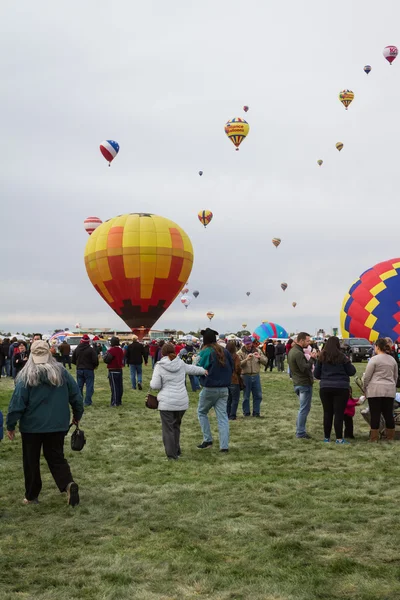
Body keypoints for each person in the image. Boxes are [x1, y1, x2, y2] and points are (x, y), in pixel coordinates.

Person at [6, 340, 83, 506]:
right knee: (56, 457)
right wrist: (77, 414)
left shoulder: (26, 376)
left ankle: (32, 495)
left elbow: (17, 403)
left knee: (31, 461)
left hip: (31, 427)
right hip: (57, 425)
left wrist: (10, 425)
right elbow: (76, 395)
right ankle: (68, 484)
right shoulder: (62, 372)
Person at [150, 343, 206, 460]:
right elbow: (192, 369)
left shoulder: (159, 366)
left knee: (168, 429)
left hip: (166, 402)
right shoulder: (180, 363)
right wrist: (203, 371)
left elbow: (155, 385)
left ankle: (171, 455)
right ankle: (176, 450)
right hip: (181, 401)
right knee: (176, 426)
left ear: (162, 353)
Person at [314, 336, 356, 444]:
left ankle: (326, 437)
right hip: (341, 388)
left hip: (325, 387)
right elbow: (352, 371)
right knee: (339, 413)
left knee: (327, 413)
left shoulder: (321, 357)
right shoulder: (342, 357)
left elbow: (316, 374)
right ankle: (339, 438)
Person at [196, 328, 233, 451]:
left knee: (202, 412)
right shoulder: (225, 351)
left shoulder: (206, 352)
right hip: (224, 389)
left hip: (209, 388)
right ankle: (224, 446)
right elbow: (231, 367)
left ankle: (208, 439)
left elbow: (198, 369)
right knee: (223, 418)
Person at [363, 338, 398, 442]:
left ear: (377, 347)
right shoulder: (392, 360)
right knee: (388, 414)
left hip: (375, 390)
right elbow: (395, 377)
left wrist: (365, 387)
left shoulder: (374, 359)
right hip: (389, 390)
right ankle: (390, 437)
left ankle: (374, 438)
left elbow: (367, 377)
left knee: (375, 414)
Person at [287, 332, 317, 439]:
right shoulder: (298, 353)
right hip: (303, 383)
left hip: (297, 382)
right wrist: (312, 359)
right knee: (304, 409)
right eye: (307, 341)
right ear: (301, 340)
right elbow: (304, 368)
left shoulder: (293, 351)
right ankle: (300, 432)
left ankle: (300, 430)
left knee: (302, 408)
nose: (309, 343)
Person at [237, 336, 267, 417]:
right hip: (245, 376)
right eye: (247, 344)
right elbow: (238, 365)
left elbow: (266, 362)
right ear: (244, 344)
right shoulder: (240, 352)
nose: (249, 345)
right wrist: (246, 359)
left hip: (256, 375)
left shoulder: (258, 350)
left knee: (258, 395)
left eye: (249, 343)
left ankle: (256, 412)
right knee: (246, 396)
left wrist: (259, 357)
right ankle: (246, 412)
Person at [71, 334, 99, 406]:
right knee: (89, 386)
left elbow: (73, 359)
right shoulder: (91, 350)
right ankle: (87, 401)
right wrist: (94, 366)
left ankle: (80, 401)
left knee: (79, 386)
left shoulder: (77, 349)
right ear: (88, 342)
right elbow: (95, 360)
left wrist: (78, 364)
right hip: (89, 370)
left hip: (79, 369)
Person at [104, 336, 124, 407]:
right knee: (119, 386)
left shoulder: (111, 350)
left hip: (112, 370)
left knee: (114, 387)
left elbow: (106, 360)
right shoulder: (120, 350)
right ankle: (119, 401)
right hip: (119, 369)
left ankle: (115, 402)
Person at [226, 340, 242, 420]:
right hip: (234, 379)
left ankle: (227, 414)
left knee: (228, 399)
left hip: (225, 380)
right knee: (235, 399)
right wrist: (239, 373)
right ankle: (232, 415)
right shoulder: (235, 356)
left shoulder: (223, 356)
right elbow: (237, 367)